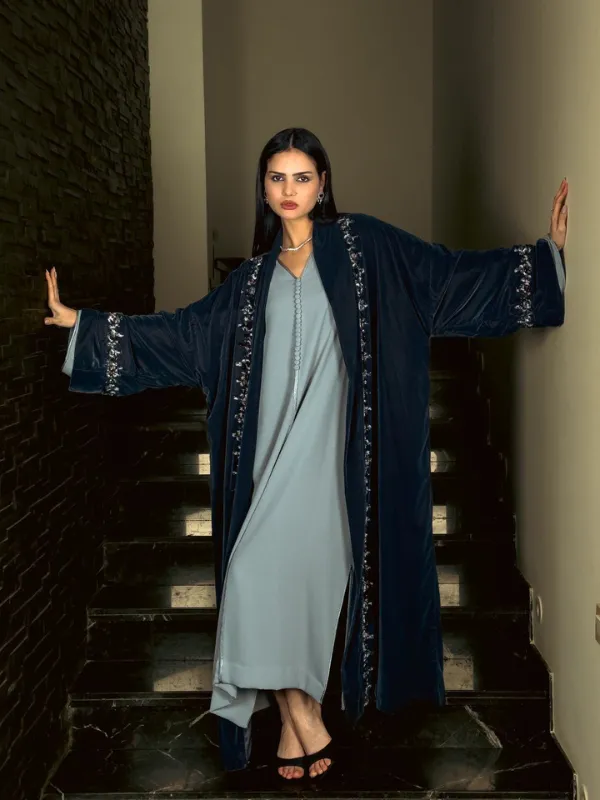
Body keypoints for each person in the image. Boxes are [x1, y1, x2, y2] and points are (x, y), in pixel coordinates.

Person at [45, 128, 568, 782]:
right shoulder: (249, 283)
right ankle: (304, 719)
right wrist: (84, 325)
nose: (289, 190)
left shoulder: (365, 249)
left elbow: (444, 279)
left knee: (303, 598)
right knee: (248, 582)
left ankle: (299, 722)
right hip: (266, 468)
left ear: (323, 185)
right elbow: (181, 335)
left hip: (336, 469)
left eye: (301, 177)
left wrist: (542, 261)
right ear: (264, 190)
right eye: (277, 178)